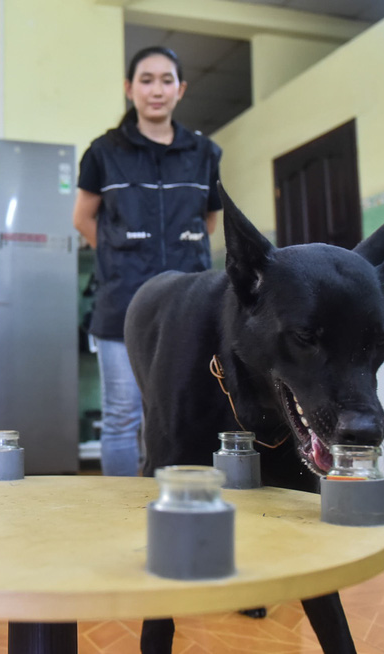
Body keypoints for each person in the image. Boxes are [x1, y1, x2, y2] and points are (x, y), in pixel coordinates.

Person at [73, 46, 222, 476]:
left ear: (181, 89)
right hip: (120, 302)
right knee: (122, 416)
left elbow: (209, 220)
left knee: (185, 411)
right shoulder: (104, 152)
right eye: (146, 79)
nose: (156, 89)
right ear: (128, 88)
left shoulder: (204, 153)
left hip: (188, 307)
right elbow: (83, 218)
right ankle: (124, 517)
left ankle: (181, 506)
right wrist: (120, 253)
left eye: (166, 80)